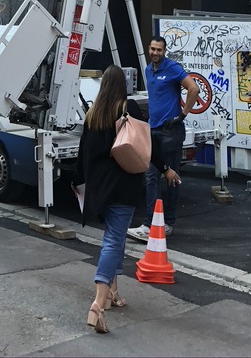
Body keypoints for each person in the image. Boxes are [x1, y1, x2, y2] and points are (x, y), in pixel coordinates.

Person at [75, 64, 180, 334]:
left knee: (115, 237)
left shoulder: (92, 114)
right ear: (123, 85)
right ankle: (98, 302)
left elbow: (82, 151)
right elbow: (148, 144)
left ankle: (113, 292)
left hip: (98, 189)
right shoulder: (127, 108)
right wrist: (165, 168)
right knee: (113, 240)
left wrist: (78, 183)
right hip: (121, 186)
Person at [127, 35, 200, 241]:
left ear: (164, 51)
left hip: (170, 131)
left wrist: (182, 115)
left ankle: (167, 222)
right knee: (151, 176)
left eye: (159, 50)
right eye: (152, 49)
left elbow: (193, 88)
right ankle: (149, 224)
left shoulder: (172, 68)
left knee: (171, 178)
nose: (155, 53)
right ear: (148, 49)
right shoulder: (148, 70)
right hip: (153, 129)